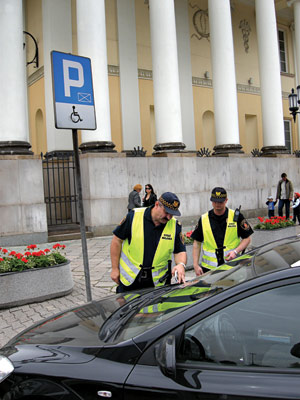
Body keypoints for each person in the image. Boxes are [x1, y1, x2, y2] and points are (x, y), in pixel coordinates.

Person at [110, 192, 187, 293]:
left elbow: (180, 250)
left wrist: (181, 264)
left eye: (172, 214)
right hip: (130, 281)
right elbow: (117, 240)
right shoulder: (134, 216)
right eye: (166, 212)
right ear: (156, 205)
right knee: (125, 307)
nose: (168, 217)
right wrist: (115, 269)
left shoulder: (175, 225)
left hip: (157, 284)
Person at [191, 187, 253, 276]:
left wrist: (235, 252)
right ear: (211, 201)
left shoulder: (236, 216)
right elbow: (197, 243)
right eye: (215, 201)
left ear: (226, 200)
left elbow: (247, 238)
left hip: (232, 266)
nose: (217, 204)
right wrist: (195, 265)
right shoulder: (204, 218)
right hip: (209, 269)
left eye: (220, 202)